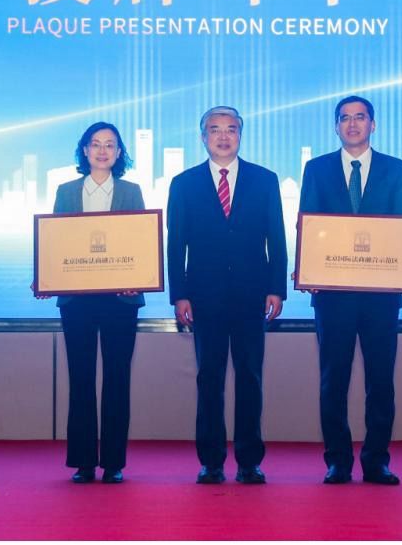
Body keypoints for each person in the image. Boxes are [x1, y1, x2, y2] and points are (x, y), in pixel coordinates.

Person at [297, 95, 402, 486]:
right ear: (336, 126)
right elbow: (308, 224)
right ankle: (337, 462)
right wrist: (307, 266)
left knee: (381, 381)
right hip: (332, 295)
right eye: (345, 118)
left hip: (381, 297)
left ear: (373, 124)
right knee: (333, 380)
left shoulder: (396, 169)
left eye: (360, 117)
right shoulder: (317, 169)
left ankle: (376, 461)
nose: (352, 124)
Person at [166, 106, 287, 485]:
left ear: (240, 135)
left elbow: (277, 238)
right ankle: (211, 461)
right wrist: (179, 294)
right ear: (203, 137)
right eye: (215, 129)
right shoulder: (183, 184)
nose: (223, 136)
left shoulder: (265, 180)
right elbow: (176, 244)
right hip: (204, 296)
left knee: (250, 377)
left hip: (253, 294)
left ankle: (250, 461)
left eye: (230, 129)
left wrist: (276, 288)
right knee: (209, 378)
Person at [49, 122, 146, 484]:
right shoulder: (66, 192)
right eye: (96, 144)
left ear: (119, 153)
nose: (102, 151)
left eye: (110, 145)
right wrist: (47, 277)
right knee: (81, 378)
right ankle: (84, 462)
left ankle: (114, 463)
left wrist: (137, 279)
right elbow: (56, 242)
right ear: (85, 150)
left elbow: (140, 244)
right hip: (77, 301)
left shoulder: (132, 192)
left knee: (118, 379)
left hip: (121, 300)